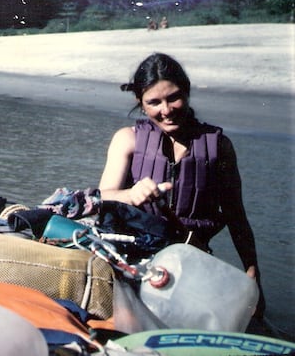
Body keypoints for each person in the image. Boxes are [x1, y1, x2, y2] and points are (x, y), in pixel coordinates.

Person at [98, 52, 264, 317]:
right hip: (135, 256)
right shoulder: (126, 140)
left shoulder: (219, 146)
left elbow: (236, 216)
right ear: (140, 103)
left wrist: (252, 270)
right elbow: (103, 196)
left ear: (186, 92)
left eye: (173, 97)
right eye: (154, 102)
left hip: (192, 260)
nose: (166, 110)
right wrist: (131, 193)